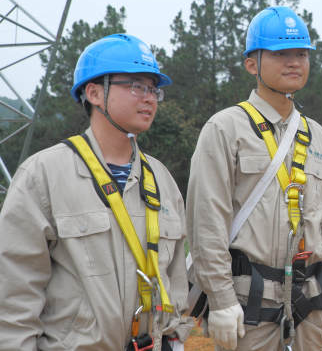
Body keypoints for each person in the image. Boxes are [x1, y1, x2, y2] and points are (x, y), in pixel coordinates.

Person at [0, 33, 193, 350]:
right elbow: (13, 295)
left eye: (153, 89)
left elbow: (174, 283)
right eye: (135, 86)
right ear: (94, 93)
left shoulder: (161, 179)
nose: (149, 98)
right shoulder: (43, 175)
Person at [186, 6, 322, 351]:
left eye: (301, 54)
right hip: (249, 304)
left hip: (311, 301)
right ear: (252, 63)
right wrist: (221, 299)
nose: (293, 62)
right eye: (280, 54)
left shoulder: (318, 136)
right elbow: (207, 222)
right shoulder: (226, 128)